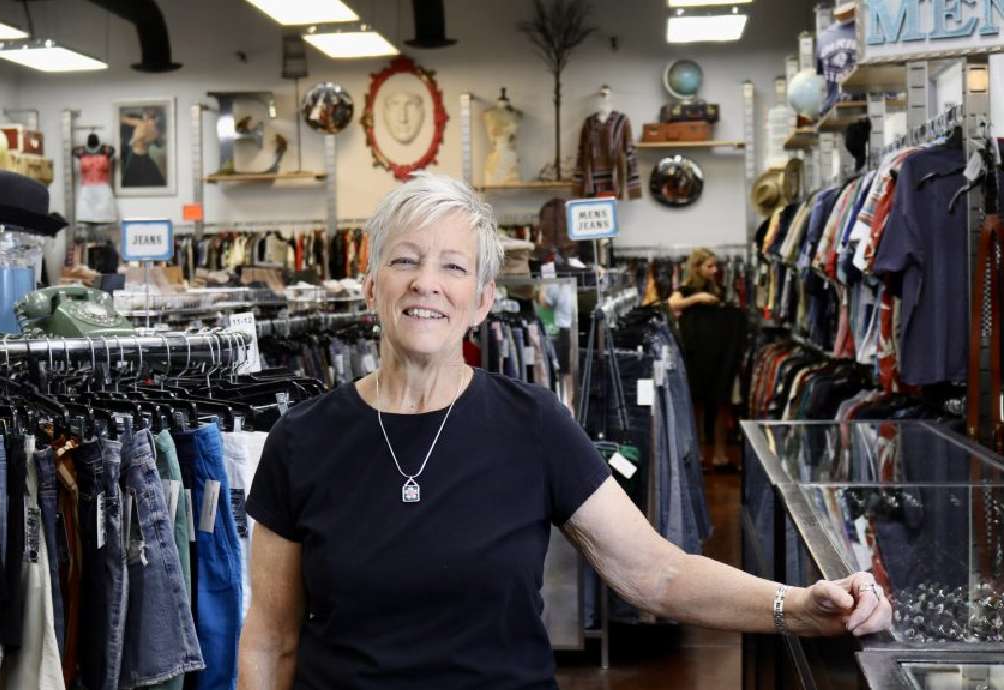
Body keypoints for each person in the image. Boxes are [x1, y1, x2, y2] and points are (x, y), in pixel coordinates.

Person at [238, 175, 890, 689]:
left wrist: (799, 607)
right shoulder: (303, 439)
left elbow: (655, 574)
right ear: (370, 287)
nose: (426, 284)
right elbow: (270, 638)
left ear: (484, 299)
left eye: (453, 267)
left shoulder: (532, 423)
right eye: (404, 261)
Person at [667, 248, 746, 470]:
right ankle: (698, 453)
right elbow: (671, 305)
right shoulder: (684, 290)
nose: (715, 270)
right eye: (709, 266)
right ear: (696, 268)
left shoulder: (718, 289)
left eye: (715, 266)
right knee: (697, 405)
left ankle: (720, 455)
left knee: (721, 404)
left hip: (719, 355)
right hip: (695, 355)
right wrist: (697, 298)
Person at [120, 108, 166, 187]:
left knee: (131, 183)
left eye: (144, 114)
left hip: (135, 157)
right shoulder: (156, 131)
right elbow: (160, 143)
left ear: (146, 116)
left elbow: (122, 119)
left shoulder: (140, 123)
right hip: (146, 157)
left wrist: (132, 141)